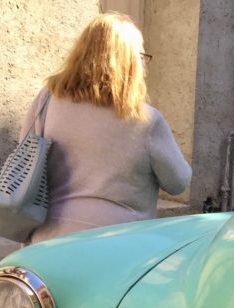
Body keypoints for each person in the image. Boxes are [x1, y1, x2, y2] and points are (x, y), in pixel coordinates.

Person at [21, 12, 191, 244]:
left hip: (48, 240)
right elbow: (178, 182)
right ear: (131, 63)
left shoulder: (47, 101)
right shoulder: (146, 119)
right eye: (141, 56)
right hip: (119, 245)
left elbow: (26, 159)